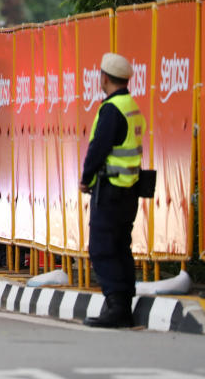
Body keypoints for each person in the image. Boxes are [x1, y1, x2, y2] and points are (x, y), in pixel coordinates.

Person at [79, 53, 145, 328]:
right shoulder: (132, 105)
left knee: (103, 248)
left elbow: (99, 147)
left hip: (110, 190)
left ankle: (116, 306)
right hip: (128, 191)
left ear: (104, 77)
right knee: (120, 247)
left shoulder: (112, 109)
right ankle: (122, 304)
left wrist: (86, 177)